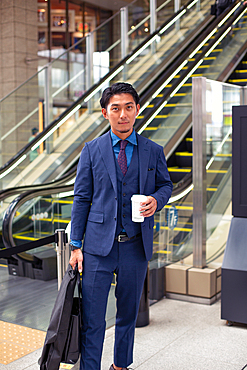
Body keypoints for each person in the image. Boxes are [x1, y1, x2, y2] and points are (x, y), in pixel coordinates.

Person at [69, 82, 173, 370]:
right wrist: (76, 245)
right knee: (93, 319)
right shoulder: (92, 150)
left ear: (137, 110)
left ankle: (121, 365)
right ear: (106, 113)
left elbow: (166, 184)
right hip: (97, 249)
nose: (123, 114)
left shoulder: (153, 150)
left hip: (135, 247)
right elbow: (81, 198)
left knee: (127, 314)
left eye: (129, 107)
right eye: (116, 108)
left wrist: (157, 199)